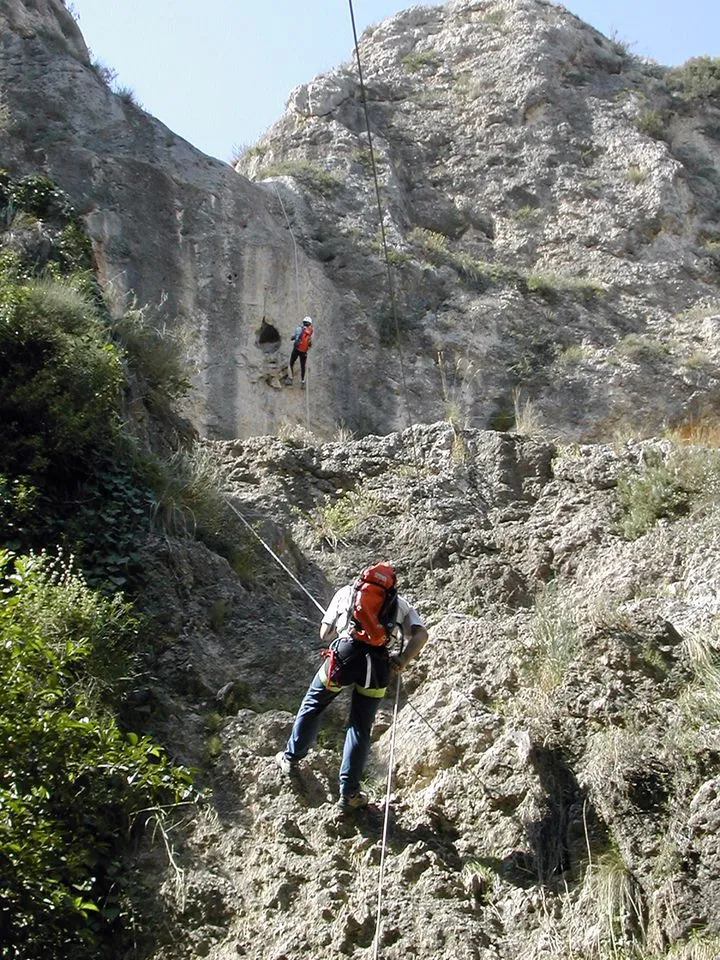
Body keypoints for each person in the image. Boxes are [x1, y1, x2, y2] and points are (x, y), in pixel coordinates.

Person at [276, 563, 428, 811]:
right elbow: (421, 635)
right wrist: (401, 660)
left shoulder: (347, 593)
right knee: (359, 726)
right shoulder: (400, 604)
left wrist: (338, 626)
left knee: (313, 705)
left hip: (343, 658)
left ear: (362, 578)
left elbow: (324, 633)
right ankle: (349, 793)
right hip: (377, 666)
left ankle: (291, 757)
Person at [286, 316, 313, 387]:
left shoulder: (298, 328)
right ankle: (303, 381)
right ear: (310, 323)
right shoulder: (310, 331)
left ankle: (290, 378)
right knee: (303, 366)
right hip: (304, 351)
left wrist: (293, 338)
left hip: (296, 349)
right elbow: (310, 343)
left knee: (291, 362)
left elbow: (296, 337)